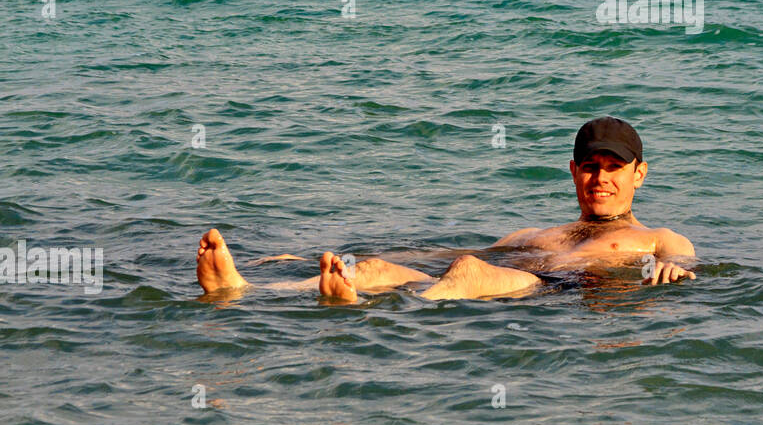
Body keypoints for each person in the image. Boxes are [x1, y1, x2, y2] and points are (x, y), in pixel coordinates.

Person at [195, 116, 696, 302]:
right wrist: (296, 258)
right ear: (572, 171)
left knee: (470, 271)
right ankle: (246, 289)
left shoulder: (658, 238)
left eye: (614, 166)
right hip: (502, 271)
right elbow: (442, 252)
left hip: (555, 291)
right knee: (368, 266)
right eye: (591, 166)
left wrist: (667, 269)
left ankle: (378, 307)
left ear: (639, 173)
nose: (601, 178)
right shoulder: (533, 233)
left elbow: (688, 267)